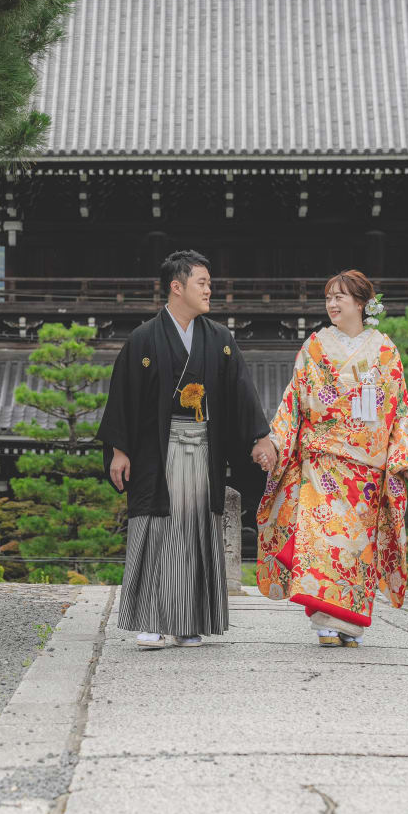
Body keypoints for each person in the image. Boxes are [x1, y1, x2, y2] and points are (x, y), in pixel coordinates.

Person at [98, 250, 275, 649]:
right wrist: (120, 450)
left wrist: (260, 437)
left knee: (196, 531)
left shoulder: (220, 340)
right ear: (176, 288)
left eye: (209, 283)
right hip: (156, 455)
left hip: (203, 450)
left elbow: (241, 395)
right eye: (202, 283)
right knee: (159, 530)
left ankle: (189, 622)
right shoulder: (143, 339)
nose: (209, 289)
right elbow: (122, 398)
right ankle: (153, 621)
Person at [256, 269, 408, 647]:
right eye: (328, 297)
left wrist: (405, 463)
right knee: (322, 540)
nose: (332, 304)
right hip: (322, 459)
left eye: (340, 297)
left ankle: (349, 623)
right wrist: (274, 443)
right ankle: (323, 621)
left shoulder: (384, 350)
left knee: (356, 549)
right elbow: (293, 401)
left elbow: (399, 411)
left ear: (361, 303)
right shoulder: (314, 346)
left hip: (366, 468)